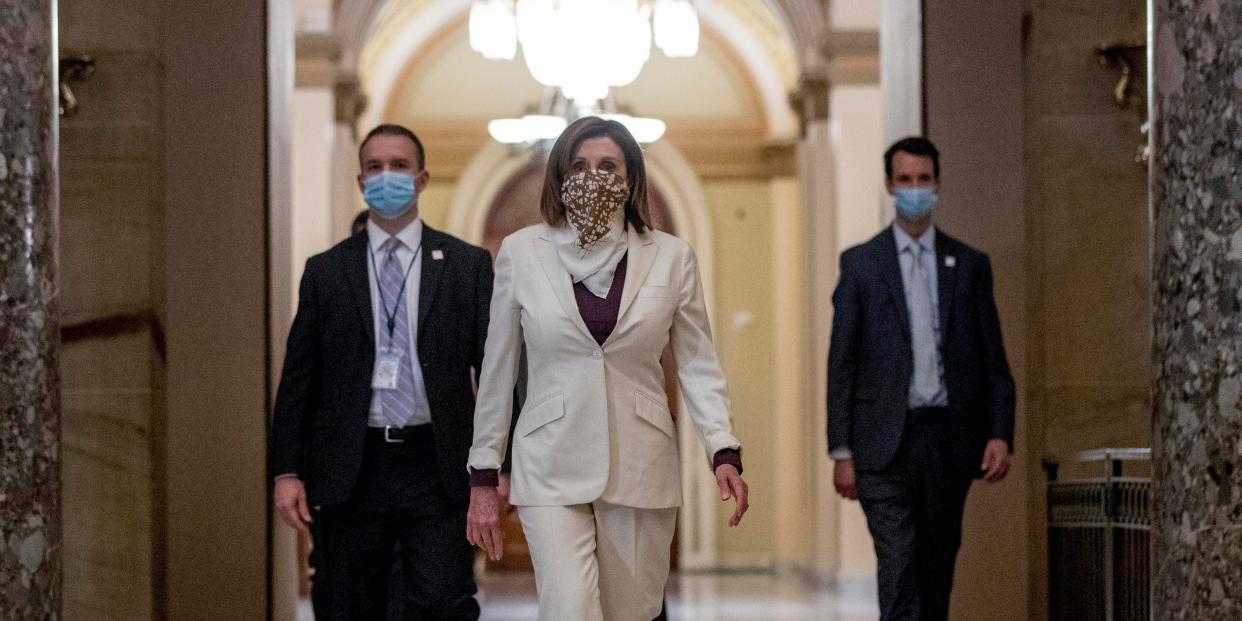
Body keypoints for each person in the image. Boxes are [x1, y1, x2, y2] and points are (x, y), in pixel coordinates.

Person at [466, 116, 749, 621]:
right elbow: (498, 368)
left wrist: (723, 448)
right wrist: (484, 474)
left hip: (640, 460)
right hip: (549, 459)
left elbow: (698, 362)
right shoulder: (521, 253)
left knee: (631, 613)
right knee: (569, 610)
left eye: (607, 166)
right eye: (578, 165)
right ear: (558, 176)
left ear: (631, 179)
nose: (592, 176)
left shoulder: (671, 257)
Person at [269, 124, 494, 620]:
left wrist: (502, 466)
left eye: (399, 166)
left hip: (436, 462)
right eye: (375, 167)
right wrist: (287, 470)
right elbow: (300, 377)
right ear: (360, 181)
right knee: (348, 606)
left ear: (422, 178)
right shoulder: (326, 270)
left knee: (443, 602)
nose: (386, 176)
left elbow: (497, 373)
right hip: (352, 463)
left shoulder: (466, 265)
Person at [826, 136, 1016, 621]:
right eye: (905, 179)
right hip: (883, 445)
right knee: (899, 562)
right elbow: (842, 362)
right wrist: (841, 452)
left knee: (936, 566)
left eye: (923, 179)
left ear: (937, 183)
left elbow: (993, 359)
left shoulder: (969, 266)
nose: (915, 189)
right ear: (890, 185)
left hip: (950, 442)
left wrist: (999, 433)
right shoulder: (861, 265)